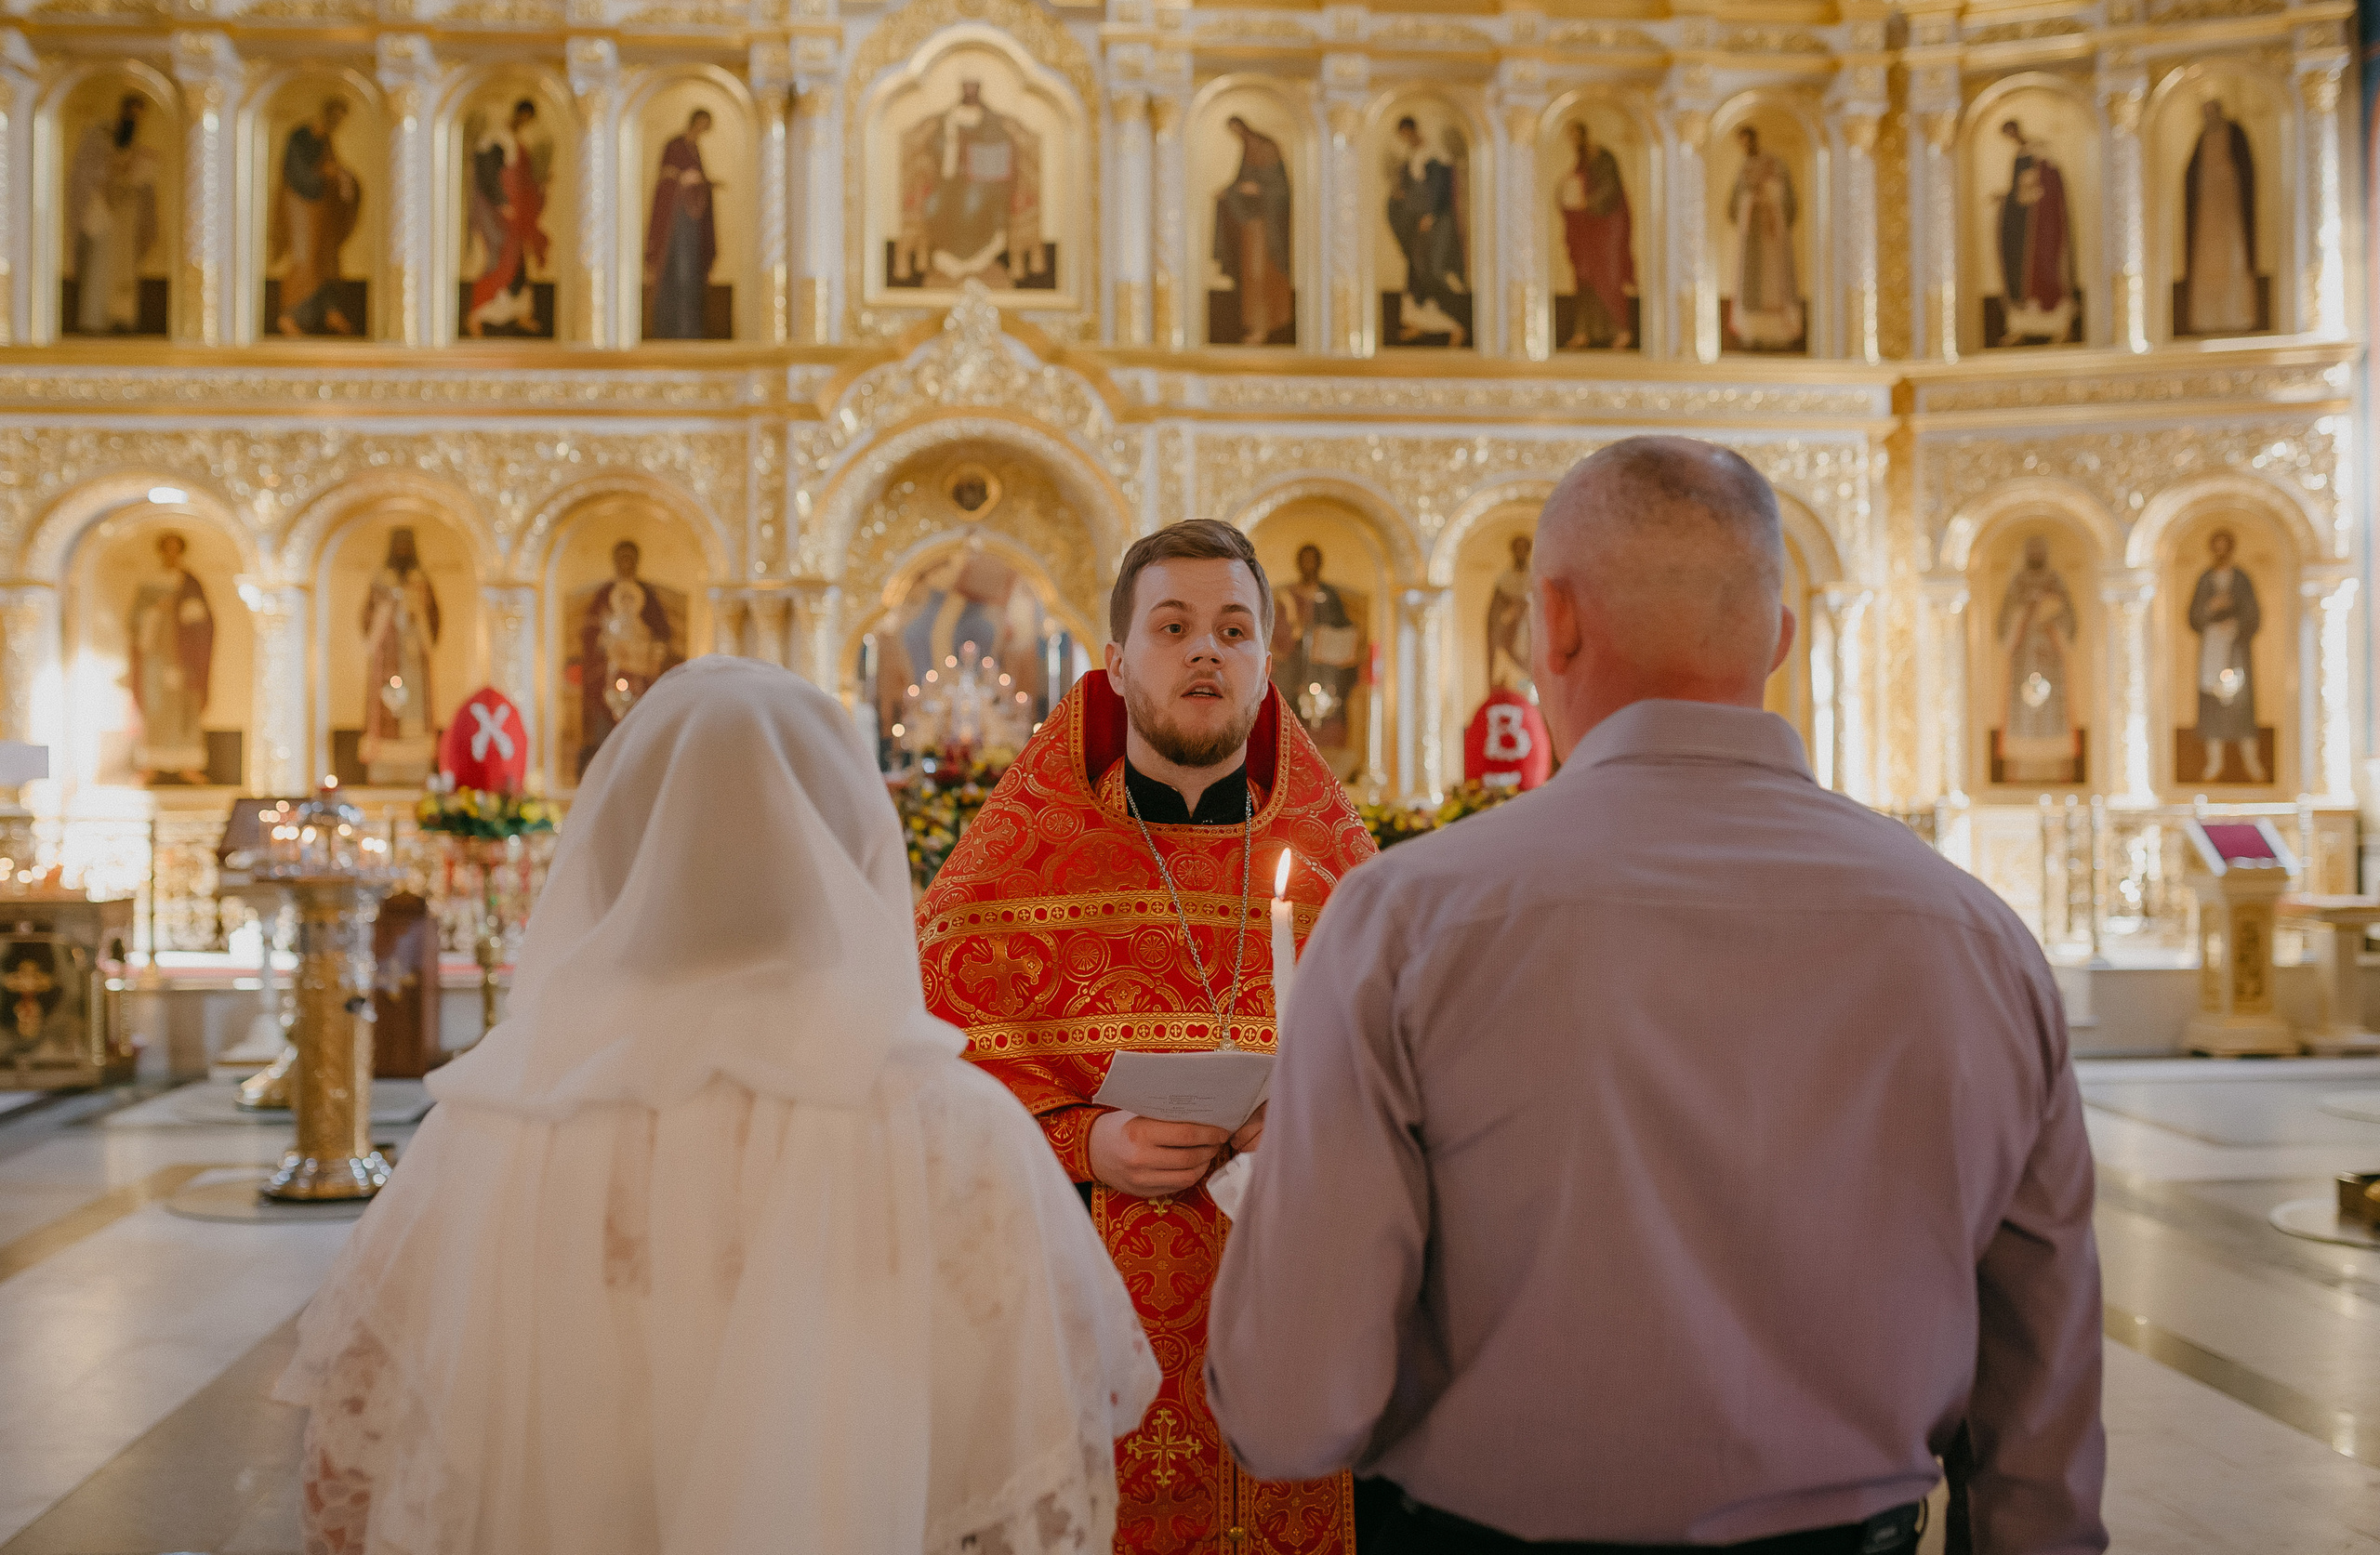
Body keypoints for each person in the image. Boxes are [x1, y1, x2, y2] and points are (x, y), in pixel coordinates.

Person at [1208, 436, 2108, 1554]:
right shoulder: (1978, 938)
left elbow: (1296, 1408)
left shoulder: (1408, 919)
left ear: (1554, 622)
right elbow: (2043, 1397)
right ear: (1778, 638)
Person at [275, 657, 1159, 1555]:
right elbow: (1037, 1473)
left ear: (618, 842)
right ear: (848, 842)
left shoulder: (487, 1124)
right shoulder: (958, 1129)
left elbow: (350, 1480)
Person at [916, 518, 1376, 1555]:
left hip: (1291, 1340)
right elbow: (926, 1109)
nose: (1205, 649)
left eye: (1233, 629)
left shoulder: (1345, 880)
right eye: (1172, 626)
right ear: (1116, 664)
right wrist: (1085, 1145)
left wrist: (1311, 1123)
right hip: (1072, 1351)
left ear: (1266, 663)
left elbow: (1423, 1095)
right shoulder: (1002, 880)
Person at [898, 80, 1044, 287]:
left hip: (984, 180)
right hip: (950, 178)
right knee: (933, 205)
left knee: (972, 203)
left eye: (973, 87)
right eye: (965, 87)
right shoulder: (948, 118)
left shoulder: (991, 119)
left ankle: (972, 259)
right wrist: (949, 140)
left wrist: (981, 152)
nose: (969, 91)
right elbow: (935, 145)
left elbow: (1002, 145)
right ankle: (949, 258)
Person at [576, 539, 683, 777]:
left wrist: (650, 647)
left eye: (630, 558)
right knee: (606, 723)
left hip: (641, 676)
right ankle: (604, 771)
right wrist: (606, 642)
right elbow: (590, 634)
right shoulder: (605, 595)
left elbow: (662, 633)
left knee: (644, 719)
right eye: (621, 558)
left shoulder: (648, 596)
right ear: (615, 561)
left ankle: (642, 770)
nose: (626, 563)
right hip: (609, 676)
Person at [67, 94, 160, 336]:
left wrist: (135, 171)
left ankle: (122, 317)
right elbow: (86, 173)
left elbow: (143, 181)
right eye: (133, 111)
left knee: (124, 267)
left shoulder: (138, 144)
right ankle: (94, 319)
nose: (135, 118)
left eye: (140, 114)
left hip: (127, 214)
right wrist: (110, 174)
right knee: (100, 264)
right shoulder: (99, 135)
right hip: (103, 211)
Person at [126, 530, 213, 784]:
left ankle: (188, 765)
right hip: (156, 656)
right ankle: (150, 764)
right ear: (161, 551)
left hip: (184, 657)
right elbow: (134, 620)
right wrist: (156, 610)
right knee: (154, 707)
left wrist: (184, 611)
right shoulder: (150, 581)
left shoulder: (189, 582)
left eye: (176, 549)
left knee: (186, 708)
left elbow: (203, 620)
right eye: (167, 548)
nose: (171, 554)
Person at [271, 96, 361, 336]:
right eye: (336, 117)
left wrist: (343, 178)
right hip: (300, 205)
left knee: (326, 258)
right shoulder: (301, 136)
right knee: (304, 258)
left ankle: (331, 312)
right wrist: (323, 175)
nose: (337, 123)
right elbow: (295, 172)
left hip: (322, 209)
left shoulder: (326, 141)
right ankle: (288, 316)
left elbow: (333, 168)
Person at [1995, 534, 2080, 783]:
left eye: (2039, 548)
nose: (2035, 553)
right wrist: (2025, 610)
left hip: (2051, 657)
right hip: (2023, 659)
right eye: (2031, 548)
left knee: (2052, 707)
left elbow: (2069, 619)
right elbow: (2005, 624)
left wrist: (2050, 611)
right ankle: (2021, 769)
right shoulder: (2017, 583)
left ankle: (2056, 769)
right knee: (2024, 707)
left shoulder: (2055, 582)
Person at [359, 527, 440, 783]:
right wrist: (389, 605)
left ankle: (417, 770)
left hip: (414, 661)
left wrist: (415, 606)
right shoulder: (381, 581)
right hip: (388, 661)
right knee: (387, 707)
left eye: (407, 545)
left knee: (414, 710)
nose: (403, 550)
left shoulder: (422, 581)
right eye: (399, 545)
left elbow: (433, 621)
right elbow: (368, 621)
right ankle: (383, 771)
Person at [466, 99, 549, 336]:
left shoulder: (514, 140)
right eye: (523, 118)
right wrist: (502, 203)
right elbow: (488, 175)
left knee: (518, 259)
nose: (524, 124)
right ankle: (477, 315)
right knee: (500, 257)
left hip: (513, 213)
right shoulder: (495, 138)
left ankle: (519, 313)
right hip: (495, 211)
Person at [2188, 527, 2263, 783]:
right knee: (2212, 703)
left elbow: (2253, 613)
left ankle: (2251, 763)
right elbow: (2193, 615)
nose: (2220, 552)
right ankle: (2214, 762)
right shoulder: (2206, 579)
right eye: (2216, 547)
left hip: (2236, 648)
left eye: (2224, 546)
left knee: (2239, 702)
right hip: (2211, 647)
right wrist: (2211, 607)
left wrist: (2236, 624)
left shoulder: (2241, 578)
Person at [1385, 116, 1468, 345]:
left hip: (1432, 222)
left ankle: (1455, 323)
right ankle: (1419, 323)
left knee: (1428, 271)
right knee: (1415, 273)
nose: (1405, 139)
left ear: (1412, 131)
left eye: (1406, 134)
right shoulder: (1410, 157)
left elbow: (1440, 189)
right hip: (1416, 222)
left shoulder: (1434, 154)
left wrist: (1430, 215)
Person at [1214, 115, 1294, 345]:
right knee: (1251, 276)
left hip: (1268, 230)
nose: (1238, 136)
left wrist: (1258, 189)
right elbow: (1242, 182)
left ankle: (1265, 327)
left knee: (1262, 275)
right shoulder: (1247, 151)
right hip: (1252, 227)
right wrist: (1229, 192)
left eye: (1237, 131)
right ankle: (1256, 327)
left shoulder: (1268, 148)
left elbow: (1281, 190)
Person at [1996, 118, 2076, 345]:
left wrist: (2033, 193)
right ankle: (2021, 327)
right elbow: (2018, 191)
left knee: (2046, 271)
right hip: (2023, 227)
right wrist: (2007, 197)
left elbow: (2049, 185)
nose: (2012, 138)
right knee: (2021, 277)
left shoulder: (2041, 152)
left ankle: (2060, 327)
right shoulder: (2020, 156)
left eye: (2012, 132)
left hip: (2044, 226)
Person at [2183, 99, 2258, 336]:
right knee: (2206, 261)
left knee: (2233, 257)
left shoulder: (2235, 134)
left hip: (2229, 210)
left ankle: (2237, 316)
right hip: (2206, 212)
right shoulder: (2201, 139)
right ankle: (2206, 320)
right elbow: (2191, 175)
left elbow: (2245, 171)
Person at [1557, 119, 1633, 350]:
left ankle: (1621, 330)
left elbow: (1610, 190)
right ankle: (1584, 331)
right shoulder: (1580, 163)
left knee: (1608, 278)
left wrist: (1586, 202)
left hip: (1606, 229)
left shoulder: (1602, 158)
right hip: (1587, 232)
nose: (1572, 141)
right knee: (1585, 279)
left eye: (1574, 136)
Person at [1725, 125, 1801, 349]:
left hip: (1773, 235)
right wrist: (1749, 200)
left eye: (1746, 141)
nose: (1744, 147)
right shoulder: (1744, 167)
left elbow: (1786, 199)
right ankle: (1752, 332)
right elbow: (1735, 204)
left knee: (1776, 281)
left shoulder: (1774, 163)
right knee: (1753, 283)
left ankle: (1780, 333)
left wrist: (1768, 195)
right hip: (1752, 238)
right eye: (1741, 143)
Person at [644, 108, 717, 339]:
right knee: (677, 272)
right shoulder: (675, 145)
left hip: (692, 220)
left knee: (691, 274)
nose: (701, 130)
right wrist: (684, 179)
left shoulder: (695, 149)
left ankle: (689, 330)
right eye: (701, 124)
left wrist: (702, 182)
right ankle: (671, 329)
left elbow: (698, 178)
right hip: (675, 221)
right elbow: (666, 177)